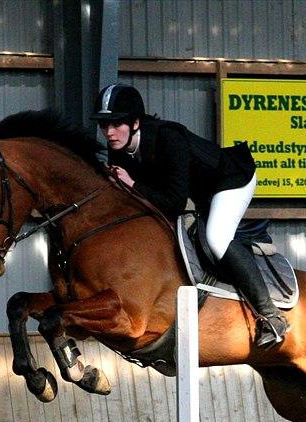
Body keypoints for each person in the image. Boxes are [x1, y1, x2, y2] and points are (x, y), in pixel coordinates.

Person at [90, 83, 289, 348]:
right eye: (105, 126)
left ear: (136, 122)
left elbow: (173, 202)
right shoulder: (120, 148)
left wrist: (132, 184)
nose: (109, 133)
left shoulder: (168, 138)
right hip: (201, 191)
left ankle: (271, 317)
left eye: (116, 124)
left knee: (216, 239)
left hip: (231, 181)